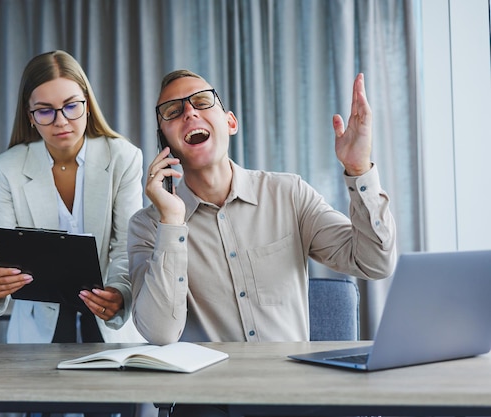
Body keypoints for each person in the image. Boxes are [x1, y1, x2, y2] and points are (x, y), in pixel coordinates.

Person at [127, 70, 397, 416]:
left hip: (295, 397)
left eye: (201, 102)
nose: (190, 113)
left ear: (230, 122)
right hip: (209, 403)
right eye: (173, 112)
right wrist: (172, 223)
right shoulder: (148, 227)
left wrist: (359, 169)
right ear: (165, 142)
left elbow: (374, 262)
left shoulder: (289, 194)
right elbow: (161, 332)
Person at [0, 50, 146, 346]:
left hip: (106, 316)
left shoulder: (123, 157)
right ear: (30, 117)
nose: (61, 121)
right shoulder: (8, 166)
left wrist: (120, 291)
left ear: (88, 105)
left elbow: (126, 246)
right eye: (45, 110)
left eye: (71, 106)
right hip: (38, 324)